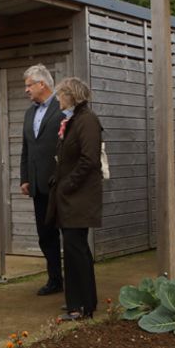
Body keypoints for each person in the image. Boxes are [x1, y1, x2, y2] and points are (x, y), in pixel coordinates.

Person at [46, 77, 103, 321]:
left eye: (60, 95)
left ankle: (80, 306)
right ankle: (82, 303)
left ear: (71, 95)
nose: (58, 99)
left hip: (78, 198)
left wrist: (67, 185)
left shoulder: (87, 120)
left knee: (75, 250)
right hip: (71, 198)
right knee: (75, 250)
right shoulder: (75, 120)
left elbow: (90, 160)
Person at [19, 64, 63, 296]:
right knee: (46, 236)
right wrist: (25, 178)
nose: (26, 90)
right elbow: (27, 148)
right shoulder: (29, 113)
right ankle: (55, 279)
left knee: (70, 235)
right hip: (38, 186)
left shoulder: (62, 107)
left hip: (61, 186)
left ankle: (77, 280)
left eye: (29, 85)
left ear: (42, 84)